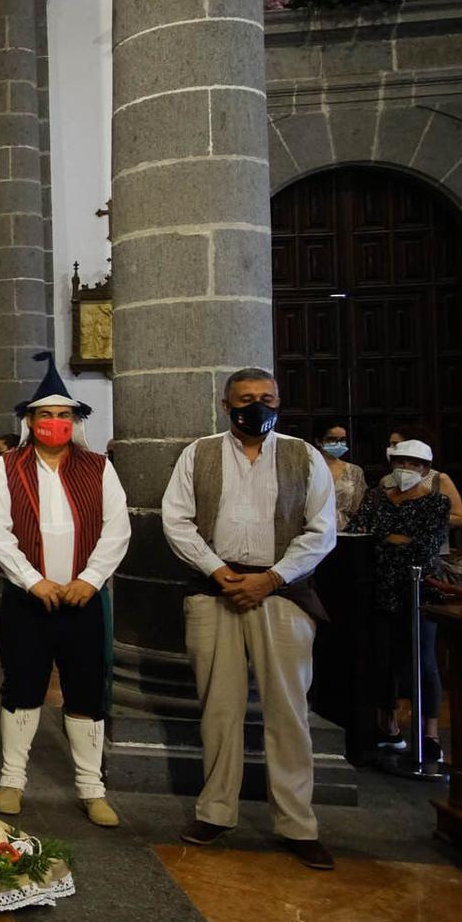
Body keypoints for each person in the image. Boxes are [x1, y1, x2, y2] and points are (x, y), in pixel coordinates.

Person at [162, 368, 337, 870]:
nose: (255, 406)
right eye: (245, 399)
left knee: (287, 711)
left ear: (279, 402)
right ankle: (216, 810)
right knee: (219, 708)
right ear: (226, 405)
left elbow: (320, 530)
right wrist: (218, 571)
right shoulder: (199, 453)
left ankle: (297, 823)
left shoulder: (304, 456)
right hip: (215, 588)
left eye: (265, 398)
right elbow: (177, 520)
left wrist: (272, 578)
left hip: (280, 592)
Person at [0, 355, 131, 826]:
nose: (56, 423)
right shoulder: (5, 469)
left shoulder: (98, 468)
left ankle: (91, 787)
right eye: (46, 415)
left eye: (65, 415)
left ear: (76, 422)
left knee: (86, 691)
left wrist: (89, 580)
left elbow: (117, 529)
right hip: (28, 600)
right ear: (29, 421)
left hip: (83, 600)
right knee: (22, 687)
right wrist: (33, 580)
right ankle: (12, 779)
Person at [356, 440, 454, 765]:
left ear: (425, 469)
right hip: (382, 589)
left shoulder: (436, 503)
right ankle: (390, 725)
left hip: (419, 590)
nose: (406, 470)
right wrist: (391, 541)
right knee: (383, 658)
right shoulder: (375, 498)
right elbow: (363, 536)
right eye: (401, 462)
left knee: (423, 659)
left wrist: (389, 540)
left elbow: (425, 547)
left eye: (413, 464)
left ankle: (430, 732)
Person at [315, 422, 368, 530]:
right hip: (314, 528)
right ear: (319, 441)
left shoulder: (354, 471)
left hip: (345, 529)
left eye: (342, 440)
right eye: (332, 439)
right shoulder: (308, 468)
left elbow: (358, 507)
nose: (338, 444)